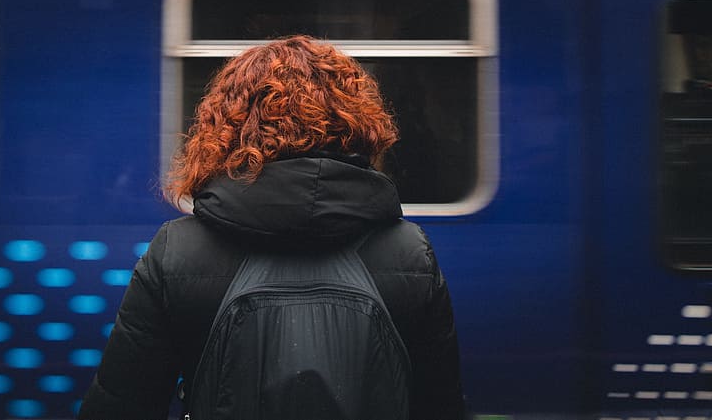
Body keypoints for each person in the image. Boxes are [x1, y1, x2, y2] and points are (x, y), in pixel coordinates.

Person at [77, 35, 465, 420]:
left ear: (228, 126)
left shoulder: (178, 251)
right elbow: (439, 406)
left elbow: (121, 404)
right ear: (356, 123)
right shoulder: (408, 253)